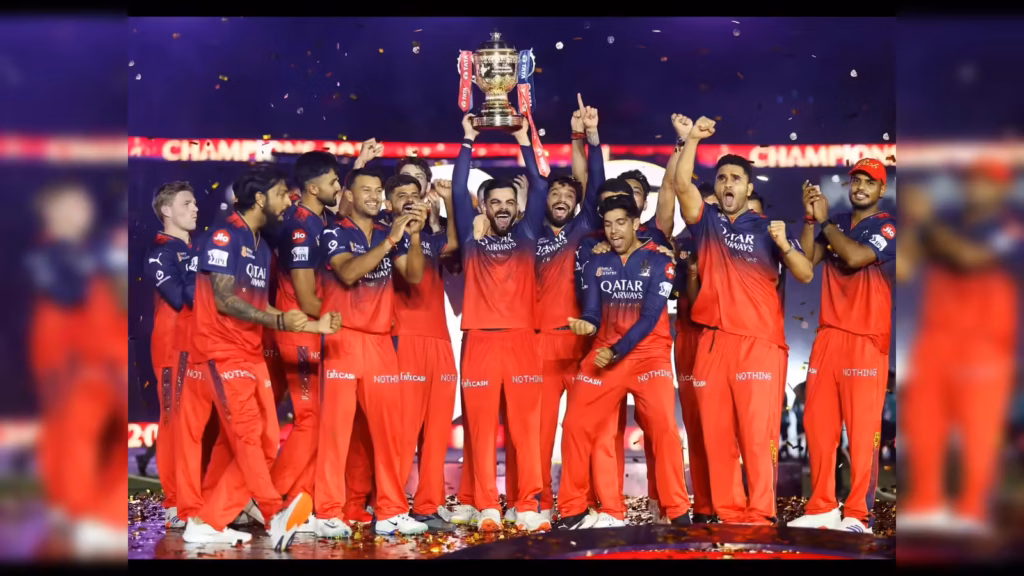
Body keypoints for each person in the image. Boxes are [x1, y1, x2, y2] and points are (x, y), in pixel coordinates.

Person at [178, 164, 340, 550]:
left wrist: (311, 328)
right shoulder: (223, 235)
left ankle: (209, 521)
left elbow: (258, 301)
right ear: (261, 198)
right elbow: (224, 298)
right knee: (249, 438)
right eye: (284, 194)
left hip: (249, 352)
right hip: (219, 351)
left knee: (268, 442)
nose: (290, 201)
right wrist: (278, 318)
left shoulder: (262, 244)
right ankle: (272, 512)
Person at [672, 114, 814, 525]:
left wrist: (785, 244)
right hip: (713, 344)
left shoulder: (769, 228)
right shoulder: (708, 225)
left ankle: (760, 515)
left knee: (757, 438)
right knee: (717, 440)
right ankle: (730, 515)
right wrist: (694, 139)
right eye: (721, 179)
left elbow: (804, 273)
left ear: (749, 188)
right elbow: (682, 186)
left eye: (735, 178)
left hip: (759, 345)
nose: (727, 184)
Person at [555, 193, 692, 529]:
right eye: (607, 224)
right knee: (574, 425)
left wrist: (616, 350)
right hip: (604, 355)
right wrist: (587, 324)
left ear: (635, 224)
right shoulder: (596, 262)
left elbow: (648, 319)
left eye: (620, 223)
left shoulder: (661, 262)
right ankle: (572, 510)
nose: (614, 230)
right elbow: (591, 311)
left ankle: (678, 512)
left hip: (648, 356)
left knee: (663, 429)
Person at [900, 158, 1021, 535]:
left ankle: (971, 511)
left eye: (987, 183)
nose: (977, 188)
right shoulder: (946, 222)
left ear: (1002, 189)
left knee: (978, 434)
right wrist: (911, 225)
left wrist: (924, 222)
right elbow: (903, 267)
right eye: (973, 182)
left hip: (983, 345)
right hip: (935, 341)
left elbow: (971, 259)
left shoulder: (1011, 226)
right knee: (922, 427)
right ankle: (926, 504)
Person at [446, 113, 550, 533]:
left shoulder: (527, 235)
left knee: (525, 430)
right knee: (481, 430)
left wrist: (526, 140)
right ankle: (488, 505)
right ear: (484, 206)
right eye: (496, 202)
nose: (503, 208)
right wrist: (468, 140)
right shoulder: (472, 240)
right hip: (480, 342)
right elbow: (457, 188)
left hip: (523, 340)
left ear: (518, 207)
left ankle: (527, 504)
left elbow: (540, 184)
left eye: (510, 203)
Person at [315, 168, 432, 537]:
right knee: (336, 433)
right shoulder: (334, 232)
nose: (374, 196)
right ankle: (328, 512)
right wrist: (389, 241)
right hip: (344, 339)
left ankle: (392, 510)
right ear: (348, 195)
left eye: (378, 190)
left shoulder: (386, 232)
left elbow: (413, 277)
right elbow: (348, 273)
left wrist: (412, 238)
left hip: (381, 342)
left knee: (389, 433)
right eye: (366, 190)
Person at [786, 159, 896, 533]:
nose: (861, 186)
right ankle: (822, 507)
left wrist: (827, 221)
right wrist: (810, 219)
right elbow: (805, 264)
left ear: (882, 190)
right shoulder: (836, 226)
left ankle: (857, 517)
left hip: (866, 338)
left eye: (870, 181)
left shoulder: (888, 226)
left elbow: (854, 257)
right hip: (829, 334)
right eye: (856, 180)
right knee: (818, 425)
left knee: (862, 431)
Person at [528, 94, 604, 525]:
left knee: (577, 432)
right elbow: (536, 181)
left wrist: (587, 136)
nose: (559, 196)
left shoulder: (582, 229)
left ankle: (576, 506)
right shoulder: (528, 233)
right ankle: (536, 503)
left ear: (575, 204)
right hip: (538, 348)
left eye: (566, 193)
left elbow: (593, 185)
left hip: (578, 345)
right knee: (537, 435)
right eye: (553, 192)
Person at [267, 151, 342, 534]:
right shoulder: (301, 227)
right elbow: (306, 295)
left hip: (313, 329)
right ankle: (267, 500)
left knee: (320, 418)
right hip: (301, 329)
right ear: (313, 188)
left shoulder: (317, 220)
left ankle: (296, 503)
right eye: (333, 182)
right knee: (310, 418)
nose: (338, 187)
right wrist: (343, 318)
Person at [386, 174, 460, 532]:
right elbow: (413, 276)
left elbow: (456, 246)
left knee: (437, 433)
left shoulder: (431, 239)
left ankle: (428, 505)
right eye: (402, 196)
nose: (410, 201)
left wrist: (447, 202)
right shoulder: (388, 240)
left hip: (440, 343)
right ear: (390, 204)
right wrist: (412, 232)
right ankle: (391, 506)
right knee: (403, 433)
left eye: (415, 195)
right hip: (406, 341)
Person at [145, 181, 199, 529]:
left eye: (194, 203)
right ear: (167, 210)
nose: (195, 208)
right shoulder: (160, 252)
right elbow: (180, 298)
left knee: (196, 424)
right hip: (172, 345)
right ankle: (174, 501)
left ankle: (197, 494)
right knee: (174, 421)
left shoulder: (199, 249)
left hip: (202, 343)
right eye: (186, 203)